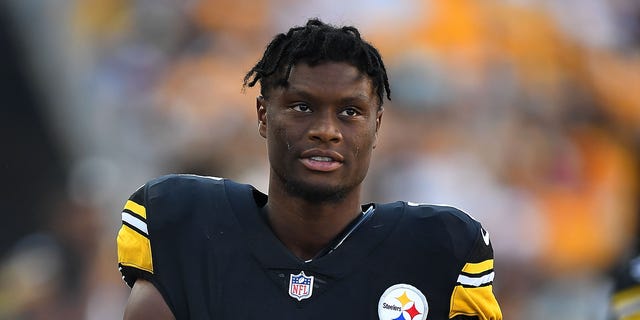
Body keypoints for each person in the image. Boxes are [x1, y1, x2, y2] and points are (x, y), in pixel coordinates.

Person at [116, 18, 502, 320]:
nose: (326, 131)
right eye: (302, 107)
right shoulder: (187, 229)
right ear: (264, 116)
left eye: (350, 112)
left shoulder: (436, 250)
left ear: (376, 126)